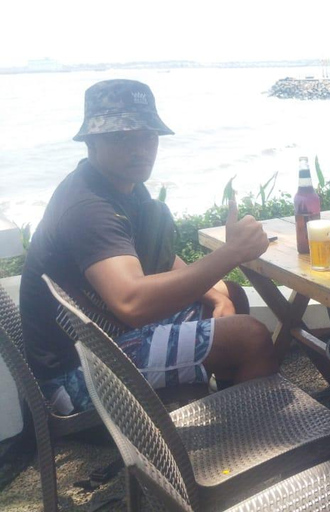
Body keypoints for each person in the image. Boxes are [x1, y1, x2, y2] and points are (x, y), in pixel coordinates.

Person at [20, 79, 277, 415]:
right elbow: (132, 302)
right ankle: (250, 442)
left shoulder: (123, 186)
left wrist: (215, 294)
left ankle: (230, 409)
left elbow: (162, 257)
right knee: (251, 337)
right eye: (120, 137)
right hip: (77, 375)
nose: (138, 148)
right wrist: (230, 253)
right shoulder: (88, 207)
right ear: (90, 143)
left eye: (147, 135)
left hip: (103, 335)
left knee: (230, 295)